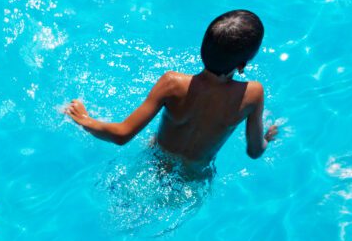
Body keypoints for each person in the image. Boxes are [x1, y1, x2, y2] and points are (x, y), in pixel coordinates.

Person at [65, 10, 277, 174]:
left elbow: (122, 135)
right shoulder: (253, 94)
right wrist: (266, 137)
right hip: (196, 176)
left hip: (154, 160)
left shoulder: (172, 83)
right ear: (242, 65)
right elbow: (254, 151)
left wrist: (85, 119)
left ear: (203, 49)